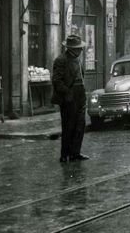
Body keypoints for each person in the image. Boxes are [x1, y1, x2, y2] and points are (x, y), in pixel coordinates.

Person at [51, 34, 88, 163]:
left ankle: (75, 153)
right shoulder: (61, 60)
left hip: (80, 94)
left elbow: (81, 76)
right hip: (68, 96)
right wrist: (68, 93)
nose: (81, 50)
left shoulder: (78, 59)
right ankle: (65, 154)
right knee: (68, 126)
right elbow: (56, 81)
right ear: (71, 48)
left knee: (80, 125)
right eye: (78, 48)